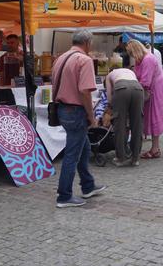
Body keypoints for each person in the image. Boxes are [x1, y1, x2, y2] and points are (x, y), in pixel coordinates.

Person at [52, 30, 106, 208]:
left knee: (84, 147)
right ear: (88, 42)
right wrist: (91, 116)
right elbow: (85, 92)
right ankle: (64, 195)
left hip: (62, 108)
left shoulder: (61, 58)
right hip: (75, 110)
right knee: (72, 154)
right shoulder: (84, 60)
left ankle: (87, 185)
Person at [126, 40, 163, 159]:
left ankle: (155, 149)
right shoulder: (142, 59)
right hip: (150, 91)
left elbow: (145, 81)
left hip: (154, 91)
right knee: (151, 119)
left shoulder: (147, 59)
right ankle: (154, 148)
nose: (131, 56)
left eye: (131, 53)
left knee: (154, 119)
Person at [105, 67, 144, 167]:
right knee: (137, 124)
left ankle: (120, 158)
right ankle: (135, 158)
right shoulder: (130, 71)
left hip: (121, 88)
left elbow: (109, 97)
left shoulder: (109, 75)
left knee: (120, 123)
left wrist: (110, 108)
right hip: (138, 88)